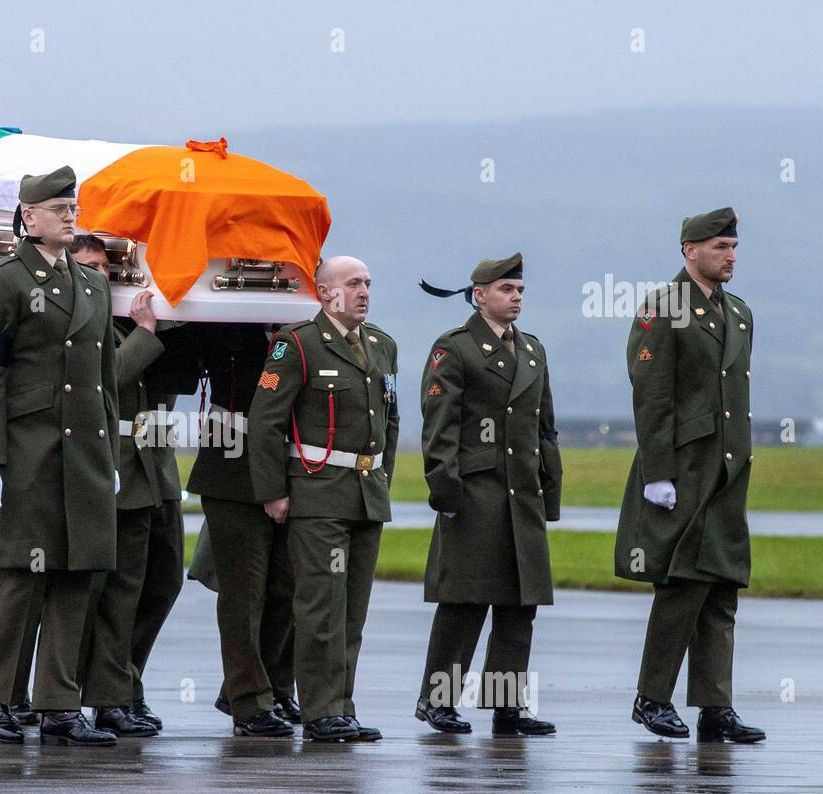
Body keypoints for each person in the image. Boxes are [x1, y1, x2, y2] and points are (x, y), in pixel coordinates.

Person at [0, 167, 120, 747]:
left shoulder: (94, 284)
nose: (69, 214)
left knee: (76, 574)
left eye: (72, 206)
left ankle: (59, 704)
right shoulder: (3, 280)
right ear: (28, 217)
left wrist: (112, 454)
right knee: (21, 578)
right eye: (58, 208)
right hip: (29, 449)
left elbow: (103, 378)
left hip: (84, 451)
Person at [615, 207, 765, 743]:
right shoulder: (665, 308)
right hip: (682, 470)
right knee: (681, 585)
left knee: (721, 587)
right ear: (690, 251)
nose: (730, 256)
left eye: (733, 246)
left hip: (727, 470)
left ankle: (715, 707)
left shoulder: (739, 313)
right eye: (720, 247)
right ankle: (652, 698)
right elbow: (651, 394)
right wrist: (658, 472)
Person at [250, 256, 398, 743]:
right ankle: (320, 711)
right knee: (320, 608)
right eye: (353, 283)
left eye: (368, 283)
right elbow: (267, 422)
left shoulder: (381, 345)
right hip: (316, 495)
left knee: (352, 610)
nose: (363, 291)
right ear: (324, 291)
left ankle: (343, 706)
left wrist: (382, 480)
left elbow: (388, 424)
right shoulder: (296, 345)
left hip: (364, 495)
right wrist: (273, 491)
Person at [414, 253, 559, 736]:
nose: (516, 298)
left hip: (523, 494)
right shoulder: (454, 349)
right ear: (480, 296)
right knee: (464, 601)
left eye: (519, 291)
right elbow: (440, 428)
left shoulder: (532, 350)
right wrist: (446, 492)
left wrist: (549, 494)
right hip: (475, 493)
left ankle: (505, 705)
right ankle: (437, 702)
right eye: (506, 290)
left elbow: (545, 430)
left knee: (520, 604)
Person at [72, 234, 192, 734]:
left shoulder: (122, 320)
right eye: (85, 266)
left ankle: (126, 681)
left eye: (104, 266)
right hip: (113, 464)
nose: (97, 275)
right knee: (117, 588)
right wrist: (146, 332)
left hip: (156, 466)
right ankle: (106, 695)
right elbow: (105, 381)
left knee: (163, 582)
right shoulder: (75, 324)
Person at [186, 321, 299, 737]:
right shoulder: (228, 326)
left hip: (293, 469)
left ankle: (266, 686)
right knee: (245, 592)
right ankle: (249, 701)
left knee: (288, 589)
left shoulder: (306, 335)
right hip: (231, 470)